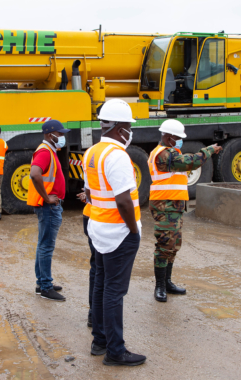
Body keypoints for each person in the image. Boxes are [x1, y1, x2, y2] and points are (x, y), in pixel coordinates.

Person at [84, 99, 145, 366]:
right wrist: (133, 230)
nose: (130, 132)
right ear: (120, 129)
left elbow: (89, 193)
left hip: (99, 229)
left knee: (101, 286)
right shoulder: (118, 156)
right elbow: (123, 201)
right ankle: (115, 351)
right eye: (129, 126)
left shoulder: (92, 153)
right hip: (119, 234)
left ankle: (100, 341)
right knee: (113, 292)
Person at [148, 119, 222, 302]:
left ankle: (167, 283)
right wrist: (209, 150)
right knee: (165, 245)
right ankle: (160, 286)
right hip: (165, 206)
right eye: (178, 138)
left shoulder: (172, 152)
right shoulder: (163, 155)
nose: (180, 141)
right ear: (168, 137)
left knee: (174, 245)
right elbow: (192, 162)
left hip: (174, 206)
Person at [27, 120, 68, 301]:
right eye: (60, 134)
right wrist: (47, 197)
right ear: (50, 134)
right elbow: (35, 174)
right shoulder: (45, 152)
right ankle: (45, 286)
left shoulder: (49, 151)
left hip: (48, 206)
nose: (62, 136)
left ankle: (41, 283)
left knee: (42, 244)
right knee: (46, 246)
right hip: (49, 207)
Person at [77, 191, 95, 327]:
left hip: (91, 214)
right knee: (104, 270)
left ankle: (93, 313)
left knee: (97, 267)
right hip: (105, 218)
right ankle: (96, 313)